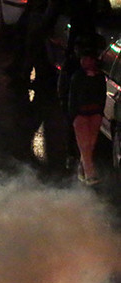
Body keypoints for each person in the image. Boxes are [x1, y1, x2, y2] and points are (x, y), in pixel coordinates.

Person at [69, 47, 106, 185]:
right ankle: (90, 173)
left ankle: (82, 168)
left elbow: (101, 95)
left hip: (94, 113)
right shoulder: (77, 77)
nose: (83, 61)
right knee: (84, 144)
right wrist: (74, 115)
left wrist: (100, 112)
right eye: (82, 59)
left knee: (90, 143)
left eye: (86, 59)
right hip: (81, 114)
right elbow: (72, 97)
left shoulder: (99, 77)